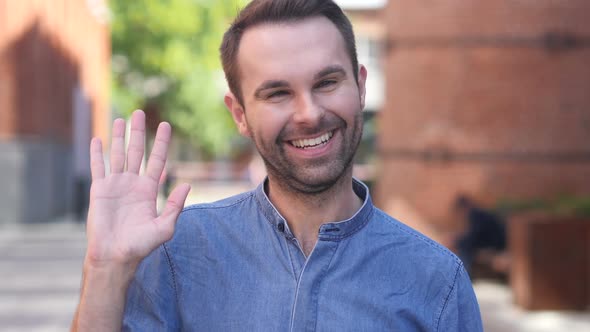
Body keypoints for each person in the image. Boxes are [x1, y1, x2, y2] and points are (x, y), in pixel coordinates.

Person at [71, 0, 483, 331]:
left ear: (360, 86)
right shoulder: (178, 254)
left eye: (326, 83)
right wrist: (105, 270)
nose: (308, 114)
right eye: (277, 93)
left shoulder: (436, 280)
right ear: (240, 114)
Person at [454, 195, 508, 277]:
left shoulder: (477, 216)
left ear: (463, 208)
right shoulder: (478, 214)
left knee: (465, 250)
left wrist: (457, 242)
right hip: (494, 244)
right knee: (465, 248)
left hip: (496, 246)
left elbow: (474, 237)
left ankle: (464, 277)